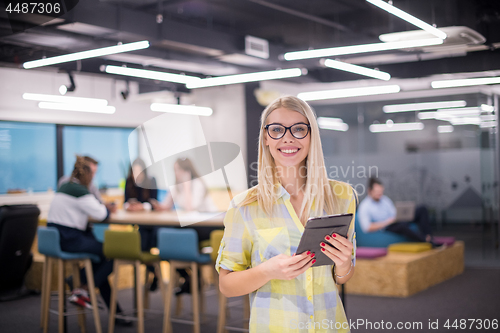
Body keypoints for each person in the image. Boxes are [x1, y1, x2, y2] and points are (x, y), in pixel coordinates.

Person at [216, 96, 357, 332]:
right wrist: (267, 271)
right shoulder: (245, 206)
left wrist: (344, 265)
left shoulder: (342, 196)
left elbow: (342, 277)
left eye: (299, 129)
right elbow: (227, 286)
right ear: (266, 138)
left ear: (311, 136)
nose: (288, 137)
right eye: (277, 130)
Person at [47, 156, 131, 326]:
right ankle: (82, 288)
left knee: (99, 262)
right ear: (88, 175)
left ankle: (113, 311)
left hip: (57, 239)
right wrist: (106, 209)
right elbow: (102, 214)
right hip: (70, 239)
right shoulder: (81, 191)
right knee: (113, 253)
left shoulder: (64, 186)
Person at [357, 177, 434, 244]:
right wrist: (386, 222)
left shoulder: (385, 199)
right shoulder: (365, 206)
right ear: (370, 191)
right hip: (386, 226)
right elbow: (367, 227)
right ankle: (425, 240)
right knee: (402, 226)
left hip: (395, 220)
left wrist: (400, 216)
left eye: (381, 192)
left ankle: (429, 236)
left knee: (422, 209)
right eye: (377, 192)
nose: (379, 194)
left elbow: (394, 213)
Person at [124, 157, 160, 291]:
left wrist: (143, 207)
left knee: (144, 243)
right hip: (139, 224)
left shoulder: (151, 181)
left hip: (152, 224)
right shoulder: (130, 182)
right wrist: (130, 206)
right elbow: (126, 201)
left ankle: (155, 271)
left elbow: (154, 202)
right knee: (141, 243)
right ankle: (155, 271)